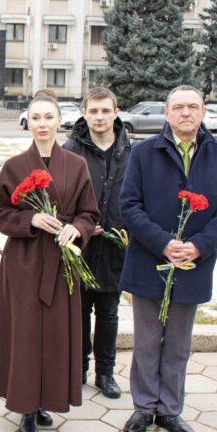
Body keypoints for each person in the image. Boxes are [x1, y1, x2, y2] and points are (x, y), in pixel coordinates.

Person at [118, 85, 217, 432]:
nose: (186, 113)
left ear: (203, 111)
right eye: (178, 107)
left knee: (178, 343)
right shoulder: (143, 153)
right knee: (146, 340)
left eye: (193, 107)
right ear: (167, 113)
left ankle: (170, 410)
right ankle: (144, 407)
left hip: (193, 265)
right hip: (149, 261)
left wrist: (199, 246)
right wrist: (162, 243)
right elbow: (129, 205)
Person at [0, 90, 100, 432]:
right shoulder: (15, 166)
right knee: (26, 334)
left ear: (59, 121)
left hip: (61, 263)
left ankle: (46, 400)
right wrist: (30, 219)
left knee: (54, 334)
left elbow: (89, 213)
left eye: (49, 117)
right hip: (24, 263)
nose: (42, 124)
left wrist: (76, 228)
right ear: (28, 122)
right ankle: (25, 407)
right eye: (36, 118)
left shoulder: (76, 165)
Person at [62, 86, 130, 399]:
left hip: (115, 245)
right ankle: (78, 369)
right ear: (84, 114)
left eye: (105, 111)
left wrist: (121, 225)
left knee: (109, 310)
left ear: (116, 112)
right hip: (81, 244)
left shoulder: (130, 150)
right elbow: (61, 194)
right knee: (78, 310)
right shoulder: (71, 150)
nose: (99, 117)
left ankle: (105, 372)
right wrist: (81, 223)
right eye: (93, 111)